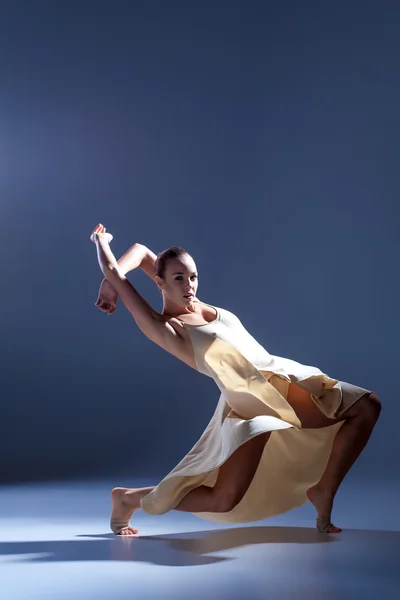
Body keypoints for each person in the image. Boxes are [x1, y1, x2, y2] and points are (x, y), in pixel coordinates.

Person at [90, 223, 382, 536]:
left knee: (366, 406)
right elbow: (119, 267)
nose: (190, 285)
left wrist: (113, 279)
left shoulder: (195, 303)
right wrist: (102, 246)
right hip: (253, 401)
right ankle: (129, 499)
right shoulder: (166, 328)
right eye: (179, 278)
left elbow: (142, 253)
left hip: (281, 375)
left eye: (193, 276)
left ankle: (324, 489)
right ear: (159, 282)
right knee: (223, 500)